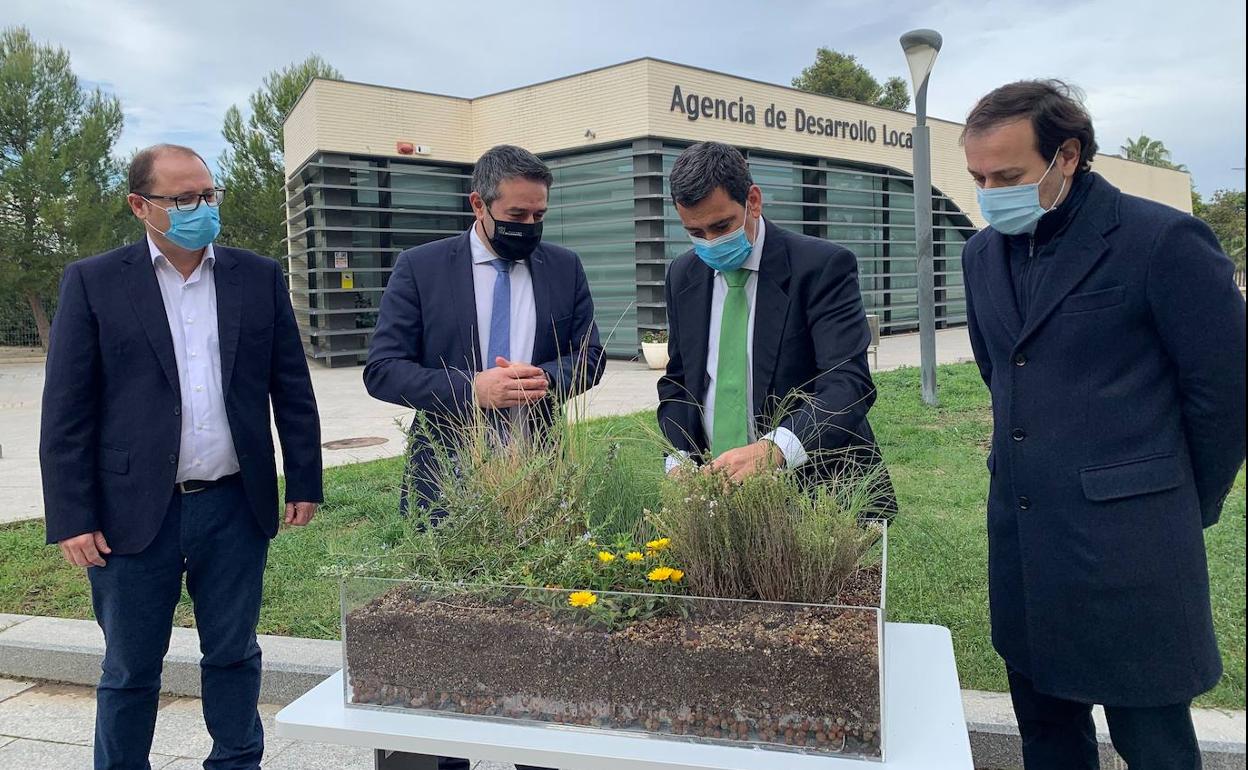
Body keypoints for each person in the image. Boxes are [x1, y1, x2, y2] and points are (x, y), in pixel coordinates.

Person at [960, 80, 1246, 770]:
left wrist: (1176, 501)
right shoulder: (981, 255)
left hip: (1132, 554)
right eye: (978, 177)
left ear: (1068, 155)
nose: (991, 191)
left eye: (1008, 175)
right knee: (1048, 739)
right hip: (1024, 546)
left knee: (1155, 747)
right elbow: (1002, 373)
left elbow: (1227, 393)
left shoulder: (1161, 240)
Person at [39, 144, 323, 770]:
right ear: (141, 206)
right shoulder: (94, 282)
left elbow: (290, 386)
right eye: (183, 198)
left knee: (233, 654)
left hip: (233, 505)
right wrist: (71, 514)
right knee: (131, 668)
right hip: (130, 515)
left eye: (207, 194)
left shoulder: (257, 275)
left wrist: (303, 476)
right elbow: (66, 412)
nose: (201, 208)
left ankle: (237, 762)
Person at [363, 143, 603, 770]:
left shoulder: (563, 267)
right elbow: (383, 371)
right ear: (478, 204)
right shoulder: (420, 268)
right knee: (442, 645)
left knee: (541, 647)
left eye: (539, 216)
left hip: (541, 480)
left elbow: (592, 356)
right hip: (446, 484)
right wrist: (471, 389)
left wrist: (548, 377)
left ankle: (539, 754)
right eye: (516, 216)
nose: (529, 228)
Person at [656, 141, 894, 511]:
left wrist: (775, 450)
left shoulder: (821, 267)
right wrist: (680, 458)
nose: (711, 243)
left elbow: (848, 383)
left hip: (817, 492)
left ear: (753, 201)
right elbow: (679, 381)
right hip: (717, 492)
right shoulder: (683, 275)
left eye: (721, 226)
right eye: (696, 232)